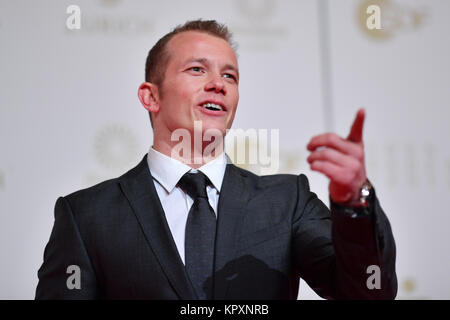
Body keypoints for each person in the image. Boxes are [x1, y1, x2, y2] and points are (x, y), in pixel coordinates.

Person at [35, 20, 397, 300]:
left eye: (229, 75)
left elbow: (368, 292)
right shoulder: (87, 216)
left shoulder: (287, 200)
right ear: (150, 96)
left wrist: (354, 203)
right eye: (197, 69)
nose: (218, 84)